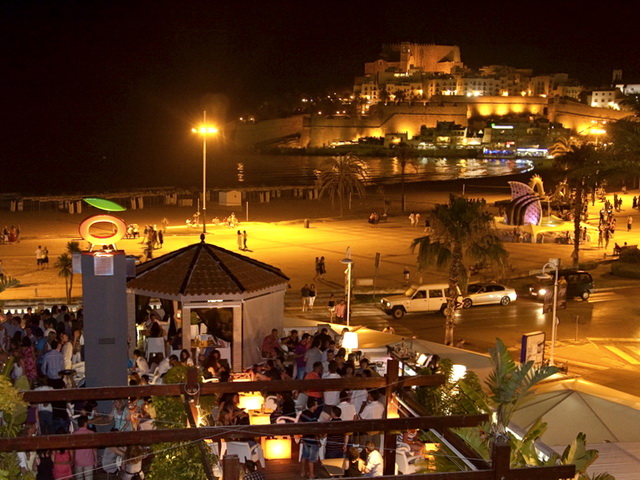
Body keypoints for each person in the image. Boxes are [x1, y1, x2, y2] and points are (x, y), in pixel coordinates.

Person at [299, 397, 321, 479]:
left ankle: (302, 472)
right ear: (313, 406)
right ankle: (311, 474)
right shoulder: (313, 417)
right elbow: (315, 429)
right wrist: (318, 439)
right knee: (312, 458)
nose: (318, 405)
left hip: (305, 438)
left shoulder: (304, 413)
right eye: (316, 404)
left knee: (304, 456)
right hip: (312, 440)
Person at [72, 415, 98, 479]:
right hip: (89, 460)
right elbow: (94, 449)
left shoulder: (74, 434)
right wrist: (96, 460)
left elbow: (72, 449)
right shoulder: (91, 433)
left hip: (78, 460)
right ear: (85, 423)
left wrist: (72, 460)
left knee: (79, 478)